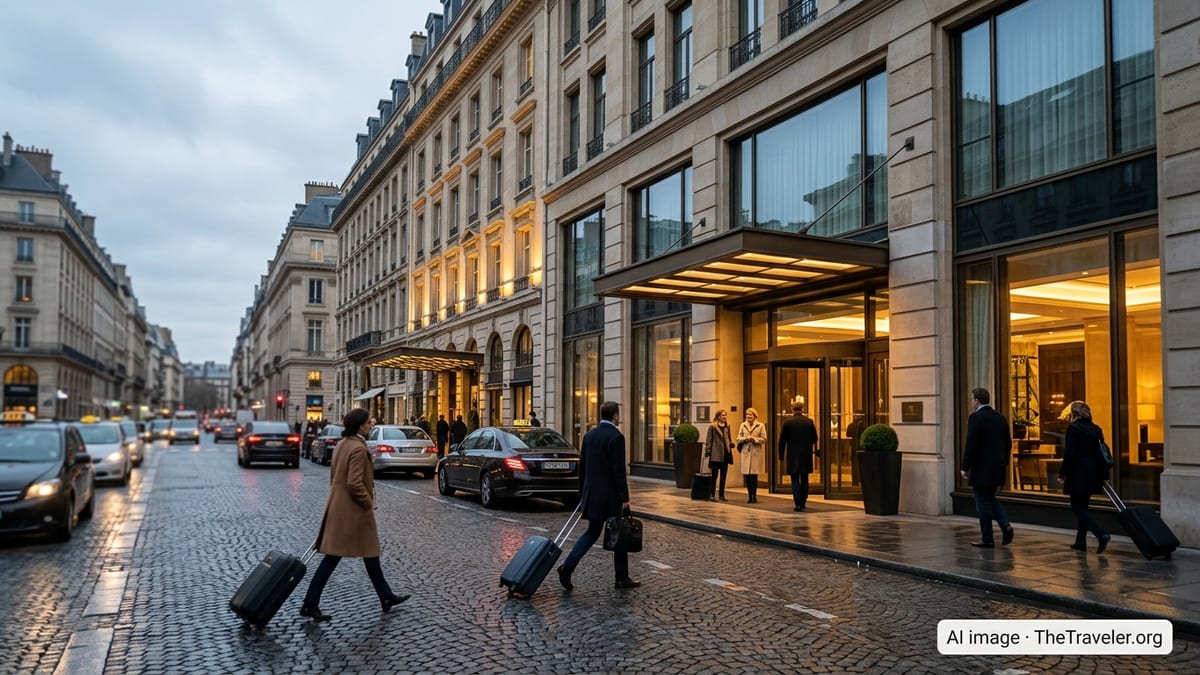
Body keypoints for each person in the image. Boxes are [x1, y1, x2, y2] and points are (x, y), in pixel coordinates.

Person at [300, 409, 409, 621]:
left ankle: (385, 596)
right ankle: (310, 603)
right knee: (337, 557)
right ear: (361, 426)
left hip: (339, 508)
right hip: (354, 512)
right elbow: (354, 483)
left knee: (369, 553)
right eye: (369, 422)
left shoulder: (342, 444)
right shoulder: (358, 449)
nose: (372, 424)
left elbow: (336, 477)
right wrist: (368, 503)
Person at [557, 401, 639, 592]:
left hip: (592, 495)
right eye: (619, 415)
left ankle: (567, 567)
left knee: (592, 533)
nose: (620, 418)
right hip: (610, 497)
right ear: (615, 416)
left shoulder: (589, 435)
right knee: (619, 534)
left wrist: (581, 493)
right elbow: (618, 471)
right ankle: (621, 577)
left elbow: (582, 466)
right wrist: (625, 498)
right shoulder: (616, 437)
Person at [959, 387, 1014, 548]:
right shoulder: (1000, 418)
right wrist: (1004, 463)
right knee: (990, 499)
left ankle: (987, 538)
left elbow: (971, 445)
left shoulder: (976, 418)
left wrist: (965, 466)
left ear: (977, 400)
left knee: (981, 503)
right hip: (997, 467)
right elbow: (1008, 444)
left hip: (982, 469)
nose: (971, 402)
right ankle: (1005, 525)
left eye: (971, 399)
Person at [1057, 400, 1111, 553]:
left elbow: (1070, 454)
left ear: (1074, 414)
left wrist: (1063, 473)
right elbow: (1102, 452)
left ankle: (1101, 533)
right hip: (1094, 474)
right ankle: (1080, 541)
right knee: (1083, 507)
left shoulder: (1074, 429)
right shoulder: (1096, 429)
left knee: (1077, 508)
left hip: (1077, 474)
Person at [779, 402, 818, 512]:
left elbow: (782, 440)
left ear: (792, 409)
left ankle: (797, 503)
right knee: (804, 478)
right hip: (806, 454)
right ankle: (803, 501)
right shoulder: (809, 422)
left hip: (792, 454)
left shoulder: (788, 422)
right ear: (802, 408)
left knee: (794, 478)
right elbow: (815, 438)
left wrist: (781, 454)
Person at [735, 408, 767, 503]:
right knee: (747, 476)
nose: (748, 416)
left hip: (756, 452)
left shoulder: (760, 425)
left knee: (754, 476)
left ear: (755, 416)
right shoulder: (743, 425)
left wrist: (755, 440)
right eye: (747, 415)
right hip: (746, 452)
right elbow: (738, 438)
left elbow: (764, 438)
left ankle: (754, 495)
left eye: (750, 415)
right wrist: (745, 439)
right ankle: (749, 495)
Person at [703, 409, 733, 501]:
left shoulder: (727, 426)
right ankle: (711, 494)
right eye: (723, 415)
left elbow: (729, 438)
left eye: (725, 415)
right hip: (715, 454)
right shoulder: (712, 427)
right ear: (718, 416)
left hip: (725, 454)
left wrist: (731, 445)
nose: (724, 417)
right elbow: (709, 439)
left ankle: (721, 495)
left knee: (723, 476)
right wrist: (708, 451)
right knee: (714, 476)